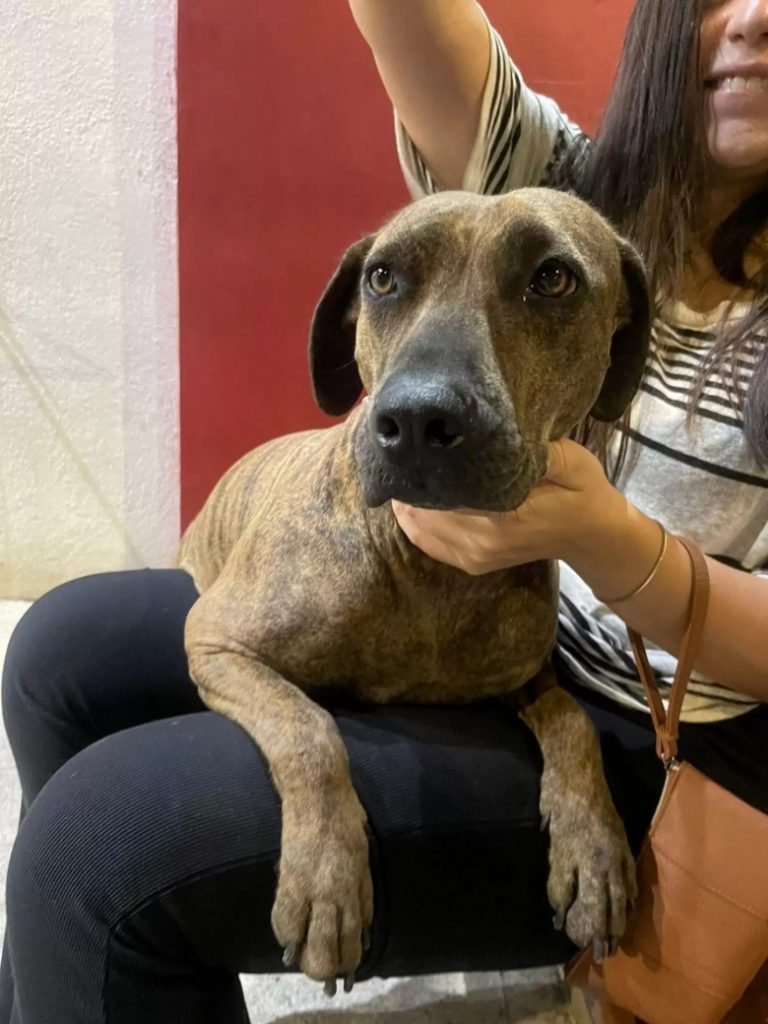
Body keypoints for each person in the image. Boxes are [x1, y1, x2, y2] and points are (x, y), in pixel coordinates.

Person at [0, 1, 765, 1022]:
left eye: (546, 286)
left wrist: (608, 542)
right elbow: (416, 32)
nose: (757, 14)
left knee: (92, 859)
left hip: (671, 743)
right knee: (59, 651)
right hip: (507, 637)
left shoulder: (586, 248)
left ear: (611, 340)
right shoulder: (580, 192)